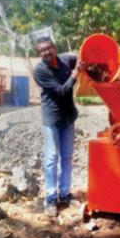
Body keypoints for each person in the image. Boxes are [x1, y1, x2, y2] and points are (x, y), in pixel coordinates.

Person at [33, 36, 83, 217]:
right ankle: (51, 198)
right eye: (42, 50)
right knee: (52, 158)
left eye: (48, 48)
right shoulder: (39, 71)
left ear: (54, 47)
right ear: (39, 53)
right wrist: (75, 74)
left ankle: (64, 194)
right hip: (52, 119)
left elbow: (80, 57)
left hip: (68, 117)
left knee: (68, 157)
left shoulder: (65, 60)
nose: (46, 52)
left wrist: (85, 57)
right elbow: (62, 91)